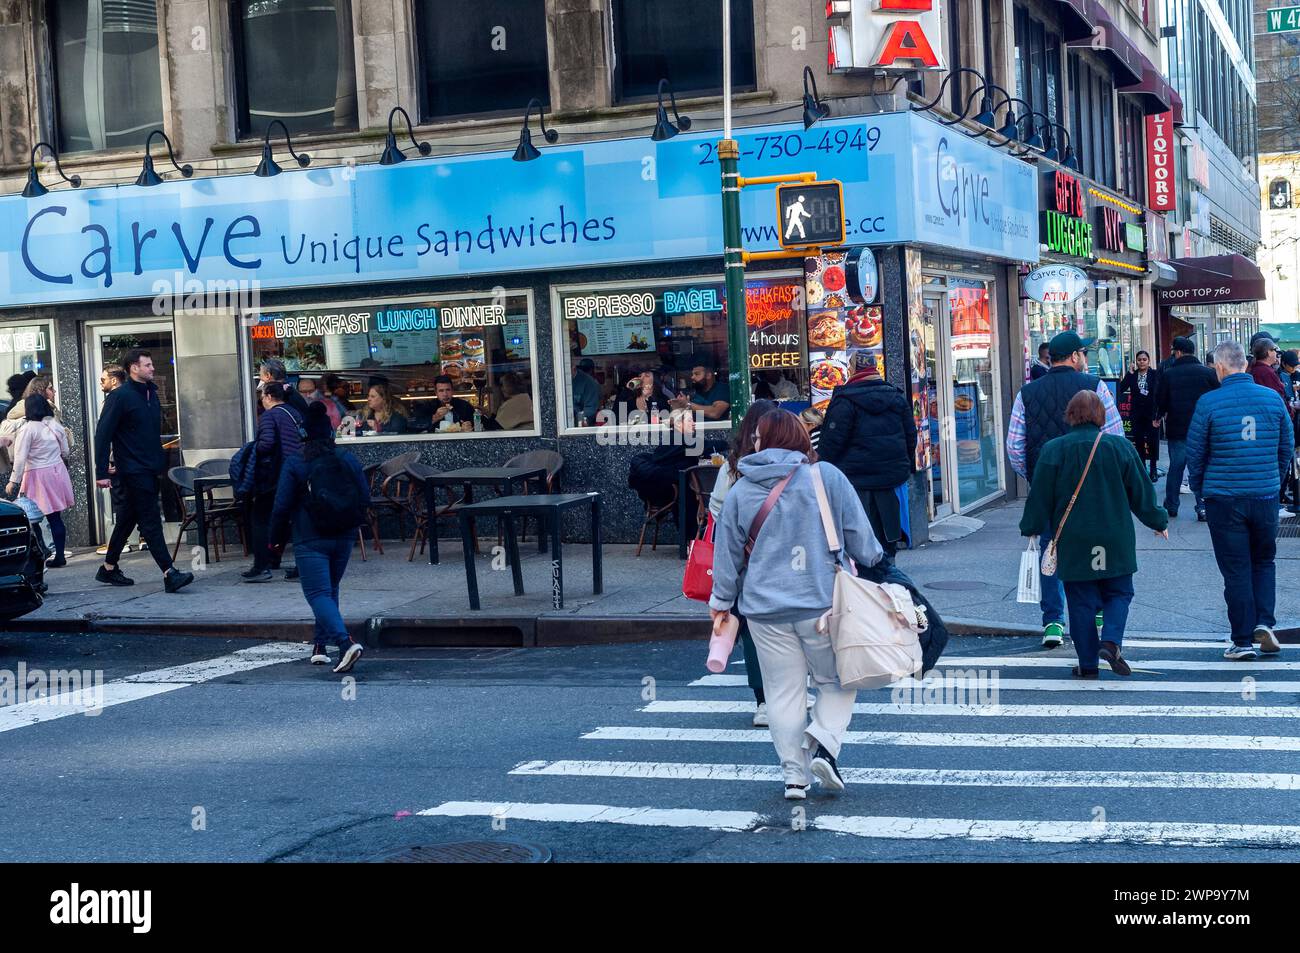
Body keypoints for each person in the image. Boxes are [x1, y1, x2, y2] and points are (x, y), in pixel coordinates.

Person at [708, 410, 884, 800]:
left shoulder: (740, 491)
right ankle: (823, 742)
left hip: (764, 611)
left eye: (756, 438)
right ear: (801, 439)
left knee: (782, 693)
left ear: (761, 443)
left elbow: (727, 556)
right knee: (838, 680)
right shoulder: (827, 478)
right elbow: (862, 540)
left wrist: (721, 602)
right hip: (822, 605)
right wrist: (877, 563)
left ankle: (794, 777)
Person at [1019, 391, 1169, 678]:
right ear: (1101, 416)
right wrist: (1158, 521)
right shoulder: (1120, 448)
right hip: (1114, 535)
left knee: (1080, 600)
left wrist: (1032, 528)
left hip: (1074, 538)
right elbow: (1141, 493)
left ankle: (1087, 664)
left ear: (1070, 416)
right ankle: (1111, 641)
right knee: (1119, 591)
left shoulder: (1053, 449)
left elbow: (1039, 496)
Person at [1007, 331, 1124, 648]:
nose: (1084, 358)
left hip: (1049, 488)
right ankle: (1097, 612)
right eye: (1082, 354)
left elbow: (1015, 447)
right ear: (1074, 357)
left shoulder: (1027, 394)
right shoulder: (1095, 387)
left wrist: (1033, 475)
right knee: (1093, 546)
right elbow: (1115, 437)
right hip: (1091, 486)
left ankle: (1054, 623)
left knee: (1051, 551)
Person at [1186, 341, 1294, 660]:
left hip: (1224, 496)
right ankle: (1264, 622)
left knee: (1236, 568)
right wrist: (1272, 478)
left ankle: (1242, 640)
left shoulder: (1209, 403)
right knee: (1264, 560)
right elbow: (1286, 447)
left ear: (1219, 367)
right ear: (1244, 365)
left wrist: (1201, 490)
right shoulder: (1272, 399)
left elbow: (1196, 453)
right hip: (1264, 494)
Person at [270, 402, 367, 674]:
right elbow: (364, 496)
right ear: (331, 433)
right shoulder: (347, 458)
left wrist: (274, 541)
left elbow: (280, 507)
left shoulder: (296, 462)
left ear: (304, 436)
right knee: (330, 590)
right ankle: (320, 646)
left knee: (317, 593)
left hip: (310, 536)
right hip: (344, 535)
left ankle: (345, 642)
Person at [93, 348, 194, 592]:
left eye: (151, 364)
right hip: (132, 469)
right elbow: (102, 435)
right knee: (150, 520)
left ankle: (108, 568)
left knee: (128, 518)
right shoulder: (119, 397)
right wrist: (101, 473)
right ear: (133, 368)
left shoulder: (151, 394)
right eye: (147, 365)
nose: (152, 368)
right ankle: (169, 573)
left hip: (151, 467)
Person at [708, 399, 778, 726]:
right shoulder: (799, 463)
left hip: (746, 560)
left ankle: (763, 700)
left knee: (751, 628)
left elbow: (718, 512)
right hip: (786, 562)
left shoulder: (733, 465)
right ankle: (785, 692)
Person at [817, 349, 916, 559]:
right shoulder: (897, 398)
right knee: (889, 535)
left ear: (853, 369)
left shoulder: (844, 401)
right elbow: (910, 438)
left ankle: (867, 579)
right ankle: (889, 574)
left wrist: (821, 469)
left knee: (860, 536)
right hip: (891, 480)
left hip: (856, 481)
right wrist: (904, 467)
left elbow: (831, 445)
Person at [5, 393, 75, 568]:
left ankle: (40, 552)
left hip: (37, 475)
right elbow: (65, 451)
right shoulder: (55, 425)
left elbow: (20, 458)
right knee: (54, 517)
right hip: (57, 471)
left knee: (31, 516)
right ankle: (59, 554)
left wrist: (13, 481)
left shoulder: (28, 429)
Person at [244, 381, 303, 582]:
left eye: (262, 396)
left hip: (275, 475)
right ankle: (296, 562)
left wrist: (253, 448)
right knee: (293, 518)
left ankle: (261, 567)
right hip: (297, 471)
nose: (261, 400)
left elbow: (267, 443)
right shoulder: (294, 413)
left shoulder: (269, 416)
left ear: (269, 396)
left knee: (260, 517)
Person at [1155, 336, 1219, 521]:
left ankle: (1172, 505)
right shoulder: (1207, 373)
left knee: (1176, 467)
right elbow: (1216, 397)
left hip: (1178, 427)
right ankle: (1203, 506)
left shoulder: (1169, 374)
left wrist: (1158, 416)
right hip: (1203, 428)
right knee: (1200, 467)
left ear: (1179, 352)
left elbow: (1161, 400)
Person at [94, 365, 145, 557]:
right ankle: (115, 557)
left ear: (114, 380)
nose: (101, 384)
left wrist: (108, 465)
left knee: (124, 508)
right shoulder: (133, 396)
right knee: (131, 511)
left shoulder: (115, 399)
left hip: (123, 466)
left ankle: (116, 552)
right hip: (135, 465)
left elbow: (106, 435)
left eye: (103, 379)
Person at [1117, 350, 1161, 481]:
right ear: (1136, 361)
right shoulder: (1133, 375)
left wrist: (1159, 414)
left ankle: (1153, 469)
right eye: (1139, 360)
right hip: (1136, 414)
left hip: (1151, 414)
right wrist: (1129, 374)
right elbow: (1121, 388)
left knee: (1152, 442)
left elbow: (1159, 394)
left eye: (1144, 359)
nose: (1141, 362)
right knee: (1139, 442)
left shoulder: (1155, 374)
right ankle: (1142, 468)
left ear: (1148, 361)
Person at [669, 357, 730, 421]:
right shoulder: (694, 394)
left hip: (716, 430)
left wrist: (687, 404)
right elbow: (674, 421)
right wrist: (677, 408)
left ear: (708, 375)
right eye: (692, 374)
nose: (692, 377)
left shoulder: (722, 389)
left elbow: (715, 412)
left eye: (697, 374)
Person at [1249, 338, 1288, 403]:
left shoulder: (1254, 368)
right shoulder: (1267, 372)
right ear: (1269, 352)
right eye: (1275, 350)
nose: (1276, 353)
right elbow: (1279, 398)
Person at [572, 358, 601, 426]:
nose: (585, 372)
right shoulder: (567, 380)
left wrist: (579, 425)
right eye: (583, 369)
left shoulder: (591, 383)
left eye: (586, 369)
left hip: (584, 422)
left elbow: (590, 409)